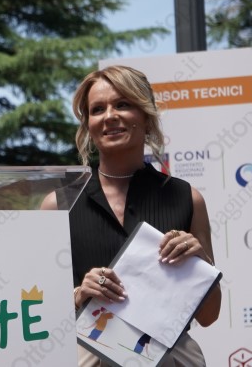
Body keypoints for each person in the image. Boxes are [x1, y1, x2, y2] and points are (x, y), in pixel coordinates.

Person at [42, 65, 221, 366]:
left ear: (146, 117)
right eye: (98, 109)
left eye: (123, 104)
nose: (110, 116)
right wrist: (79, 294)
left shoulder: (187, 199)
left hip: (171, 357)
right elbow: (38, 310)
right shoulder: (58, 205)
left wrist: (201, 262)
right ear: (88, 126)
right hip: (90, 355)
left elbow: (209, 316)